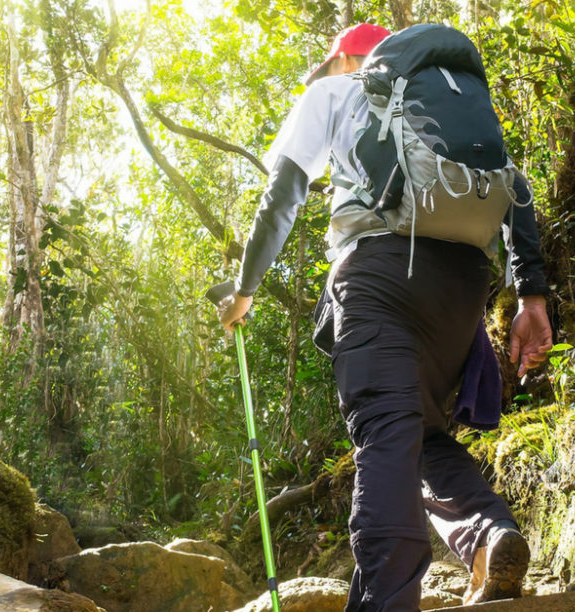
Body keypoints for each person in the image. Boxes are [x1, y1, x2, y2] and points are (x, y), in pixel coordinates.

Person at [217, 23, 553, 610]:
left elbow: (283, 194)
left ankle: (385, 600)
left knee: (387, 430)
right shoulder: (447, 101)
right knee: (424, 434)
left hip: (380, 275)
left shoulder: (335, 92)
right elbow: (512, 186)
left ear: (348, 58)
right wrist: (532, 297)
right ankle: (488, 537)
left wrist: (245, 291)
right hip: (462, 284)